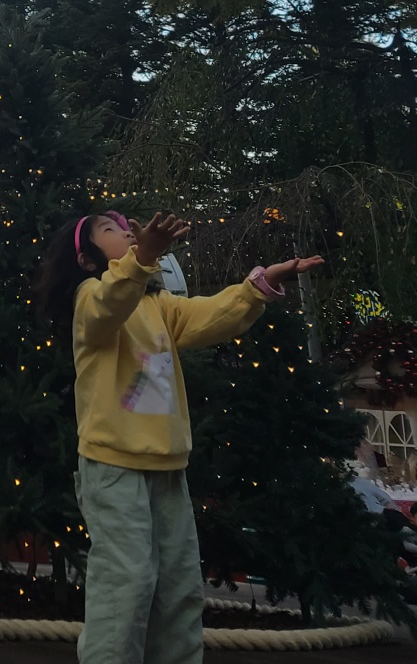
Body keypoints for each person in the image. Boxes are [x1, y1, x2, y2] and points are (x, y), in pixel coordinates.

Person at [34, 209, 322, 664]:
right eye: (111, 231)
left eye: (128, 227)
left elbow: (211, 315)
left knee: (180, 586)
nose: (127, 230)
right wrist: (143, 255)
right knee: (126, 583)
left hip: (168, 467)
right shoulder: (89, 299)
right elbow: (110, 305)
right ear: (87, 261)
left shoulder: (158, 307)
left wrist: (258, 285)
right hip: (113, 467)